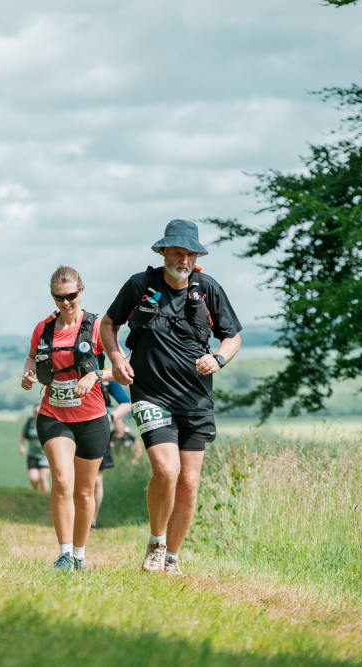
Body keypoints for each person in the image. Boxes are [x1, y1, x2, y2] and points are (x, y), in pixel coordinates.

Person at [102, 220, 242, 575]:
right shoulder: (140, 285)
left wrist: (218, 359)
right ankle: (156, 542)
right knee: (166, 470)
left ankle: (172, 558)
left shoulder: (207, 289)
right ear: (164, 252)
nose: (184, 260)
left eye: (191, 254)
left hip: (195, 399)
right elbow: (108, 324)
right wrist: (117, 359)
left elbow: (233, 337)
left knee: (189, 483)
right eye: (178, 252)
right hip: (151, 393)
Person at [21, 266, 114, 571]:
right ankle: (64, 554)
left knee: (84, 491)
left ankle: (79, 554)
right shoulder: (43, 328)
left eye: (71, 296)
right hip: (54, 415)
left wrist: (94, 375)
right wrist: (28, 372)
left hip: (92, 418)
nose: (65, 302)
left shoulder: (97, 327)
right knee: (62, 479)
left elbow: (123, 370)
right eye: (59, 297)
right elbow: (32, 356)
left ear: (81, 292)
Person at [90, 381, 133, 530]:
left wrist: (110, 417)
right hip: (75, 429)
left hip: (100, 431)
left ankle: (92, 521)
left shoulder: (107, 378)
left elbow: (126, 404)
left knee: (96, 481)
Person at [19, 405, 49, 492]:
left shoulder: (47, 423)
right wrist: (22, 446)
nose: (37, 414)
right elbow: (22, 435)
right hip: (32, 455)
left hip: (45, 455)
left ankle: (45, 497)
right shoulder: (30, 423)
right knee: (33, 478)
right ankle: (37, 493)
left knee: (43, 477)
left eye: (39, 412)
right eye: (35, 412)